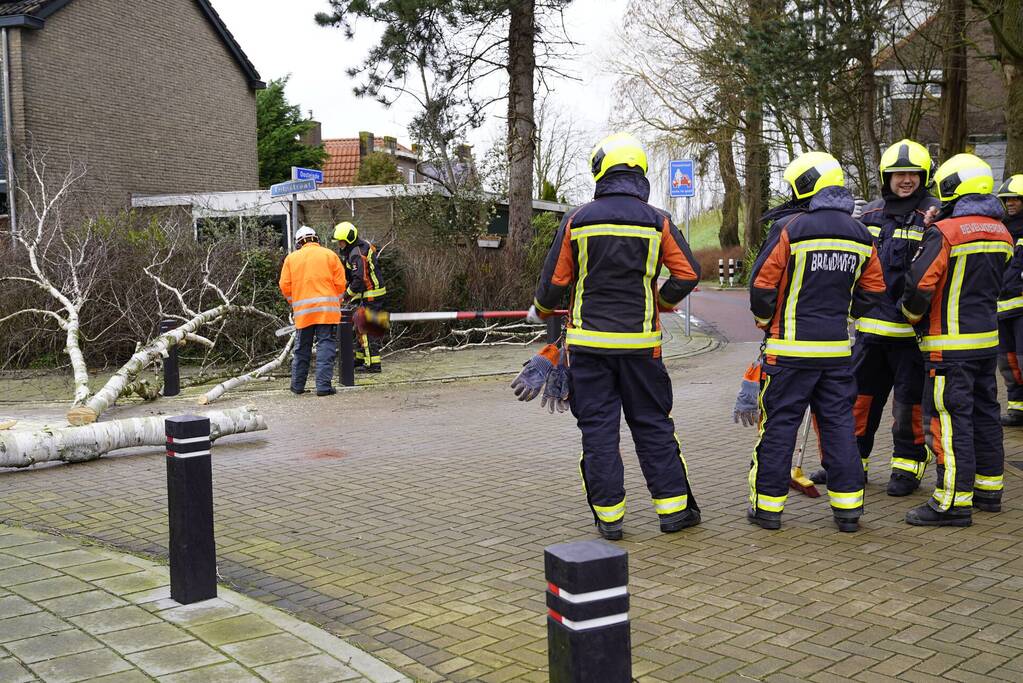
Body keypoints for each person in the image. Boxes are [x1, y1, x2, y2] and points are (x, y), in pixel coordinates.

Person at [529, 132, 701, 540]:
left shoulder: (578, 219)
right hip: (642, 348)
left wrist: (542, 308)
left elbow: (554, 283)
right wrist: (659, 301)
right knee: (653, 425)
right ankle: (673, 512)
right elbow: (688, 273)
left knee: (599, 431)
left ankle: (609, 520)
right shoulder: (658, 220)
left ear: (602, 170)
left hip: (589, 349)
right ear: (639, 171)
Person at [747, 151, 887, 533]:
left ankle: (768, 510)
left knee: (779, 428)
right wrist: (849, 310)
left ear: (805, 186)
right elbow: (875, 289)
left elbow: (761, 287)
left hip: (789, 351)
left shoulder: (791, 227)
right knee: (840, 427)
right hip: (837, 353)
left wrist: (765, 322)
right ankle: (848, 511)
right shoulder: (860, 232)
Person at [810, 140, 938, 496]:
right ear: (886, 178)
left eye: (912, 174)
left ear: (923, 177)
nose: (906, 180)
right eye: (898, 175)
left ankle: (907, 469)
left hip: (912, 335)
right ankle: (851, 465)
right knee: (858, 404)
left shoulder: (934, 216)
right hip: (869, 333)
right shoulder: (869, 216)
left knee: (909, 407)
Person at [900, 154, 1012, 525]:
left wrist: (912, 317)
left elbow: (919, 286)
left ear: (952, 187)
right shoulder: (1003, 231)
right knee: (985, 415)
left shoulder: (945, 232)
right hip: (985, 343)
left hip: (949, 346)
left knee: (948, 420)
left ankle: (951, 501)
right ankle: (988, 489)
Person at [279, 226, 347, 396]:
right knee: (326, 346)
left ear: (298, 243)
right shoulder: (330, 255)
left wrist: (295, 303)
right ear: (316, 239)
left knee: (302, 348)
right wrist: (337, 302)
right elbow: (340, 284)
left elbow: (284, 286)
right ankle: (323, 387)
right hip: (327, 311)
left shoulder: (291, 259)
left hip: (304, 313)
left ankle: (297, 386)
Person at [332, 222, 387, 373]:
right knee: (358, 326)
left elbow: (358, 280)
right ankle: (361, 358)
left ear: (348, 239)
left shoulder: (356, 253)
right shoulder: (358, 247)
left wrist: (345, 296)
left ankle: (372, 364)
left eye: (341, 241)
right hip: (368, 293)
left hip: (371, 294)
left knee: (366, 328)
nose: (339, 244)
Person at [996, 175, 1023, 426]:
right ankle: (1017, 408)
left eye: (1016, 198)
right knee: (1007, 361)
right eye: (1007, 199)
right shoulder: (1001, 228)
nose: (1011, 203)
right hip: (1002, 307)